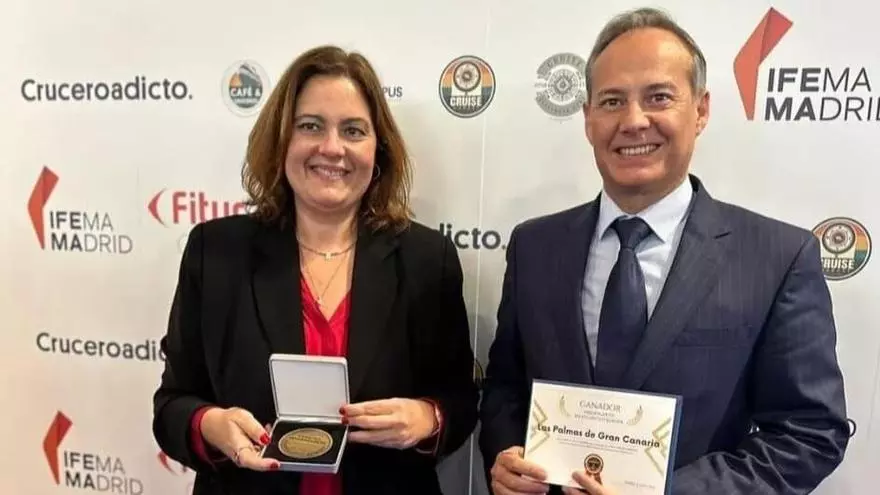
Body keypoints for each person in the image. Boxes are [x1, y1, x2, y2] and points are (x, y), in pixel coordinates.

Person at [478, 7, 850, 495]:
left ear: (700, 110)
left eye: (658, 97)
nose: (634, 121)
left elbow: (808, 433)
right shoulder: (535, 246)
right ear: (588, 118)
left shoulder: (778, 257)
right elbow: (506, 390)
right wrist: (506, 455)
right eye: (612, 101)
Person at [152, 45, 479, 495]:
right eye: (310, 126)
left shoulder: (427, 259)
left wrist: (428, 418)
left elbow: (460, 399)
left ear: (378, 150)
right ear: (281, 140)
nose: (332, 148)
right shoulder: (216, 253)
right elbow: (171, 404)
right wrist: (209, 424)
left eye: (353, 130)